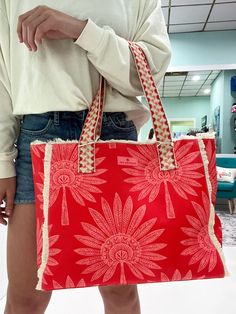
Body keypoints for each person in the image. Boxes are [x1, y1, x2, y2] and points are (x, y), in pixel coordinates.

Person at [0, 0, 171, 313]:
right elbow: (2, 76)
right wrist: (1, 162)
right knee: (24, 298)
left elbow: (150, 68)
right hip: (38, 135)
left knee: (121, 295)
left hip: (113, 132)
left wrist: (80, 30)